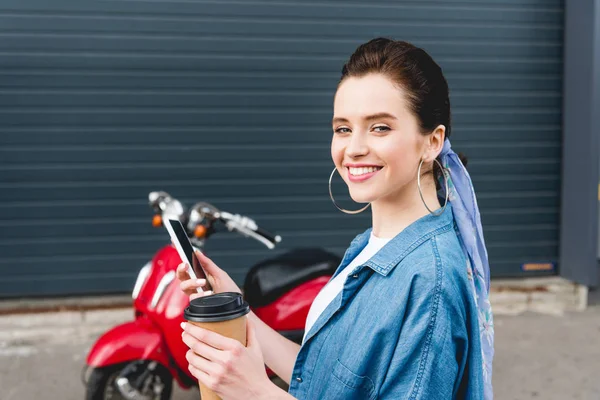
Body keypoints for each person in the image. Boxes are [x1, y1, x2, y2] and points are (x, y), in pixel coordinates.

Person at [177, 37, 494, 399]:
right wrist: (237, 306)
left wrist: (257, 392)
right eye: (343, 128)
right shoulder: (371, 246)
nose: (354, 148)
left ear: (432, 142)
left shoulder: (429, 281)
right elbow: (322, 380)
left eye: (380, 127)